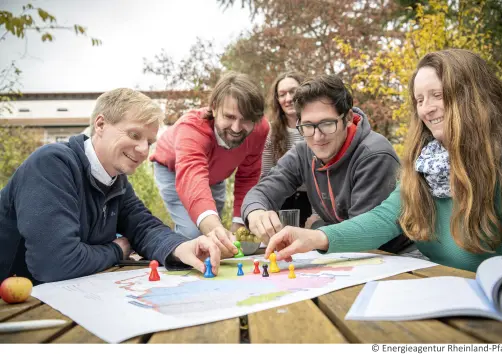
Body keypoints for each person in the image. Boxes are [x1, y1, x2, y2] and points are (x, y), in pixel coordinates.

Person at [264, 49, 502, 272]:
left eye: (437, 95)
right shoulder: (425, 165)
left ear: (472, 96)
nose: (426, 109)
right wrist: (316, 237)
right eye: (420, 100)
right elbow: (385, 219)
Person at [0, 88, 222, 284]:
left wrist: (181, 248)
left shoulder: (117, 181)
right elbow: (54, 262)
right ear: (100, 125)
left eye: (149, 142)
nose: (144, 150)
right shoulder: (52, 165)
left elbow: (145, 227)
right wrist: (117, 250)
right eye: (134, 135)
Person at [242, 74, 411, 253]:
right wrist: (255, 212)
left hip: (397, 257)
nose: (317, 137)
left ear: (347, 118)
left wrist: (316, 227)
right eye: (308, 126)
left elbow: (361, 236)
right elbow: (262, 191)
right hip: (345, 256)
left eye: (327, 124)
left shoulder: (374, 154)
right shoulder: (303, 152)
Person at [150, 72, 269, 258]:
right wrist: (212, 228)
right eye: (229, 117)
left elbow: (248, 174)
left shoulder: (260, 129)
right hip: (174, 170)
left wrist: (239, 220)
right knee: (195, 233)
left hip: (216, 174)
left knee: (217, 231)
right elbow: (192, 179)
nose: (237, 128)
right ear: (214, 108)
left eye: (246, 119)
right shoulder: (191, 128)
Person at [261, 71, 313, 227]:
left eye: (293, 92)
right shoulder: (271, 133)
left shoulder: (317, 128)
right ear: (277, 100)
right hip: (283, 201)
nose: (288, 99)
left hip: (316, 200)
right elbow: (266, 175)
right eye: (282, 94)